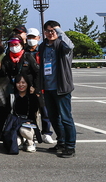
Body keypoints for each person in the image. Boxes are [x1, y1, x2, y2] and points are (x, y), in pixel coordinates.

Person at [38, 20, 76, 158]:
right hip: (47, 88)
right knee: (53, 117)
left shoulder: (62, 45)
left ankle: (70, 146)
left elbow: (70, 46)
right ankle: (61, 141)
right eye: (47, 31)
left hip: (61, 87)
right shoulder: (42, 46)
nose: (50, 33)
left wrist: (59, 31)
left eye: (52, 30)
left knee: (66, 118)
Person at [2, 75, 41, 154]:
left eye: (23, 82)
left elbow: (35, 110)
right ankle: (21, 141)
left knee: (24, 130)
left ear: (27, 84)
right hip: (15, 123)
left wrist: (34, 94)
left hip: (27, 123)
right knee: (15, 142)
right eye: (18, 83)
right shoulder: (12, 96)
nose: (21, 85)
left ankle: (31, 142)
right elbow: (8, 112)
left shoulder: (31, 97)